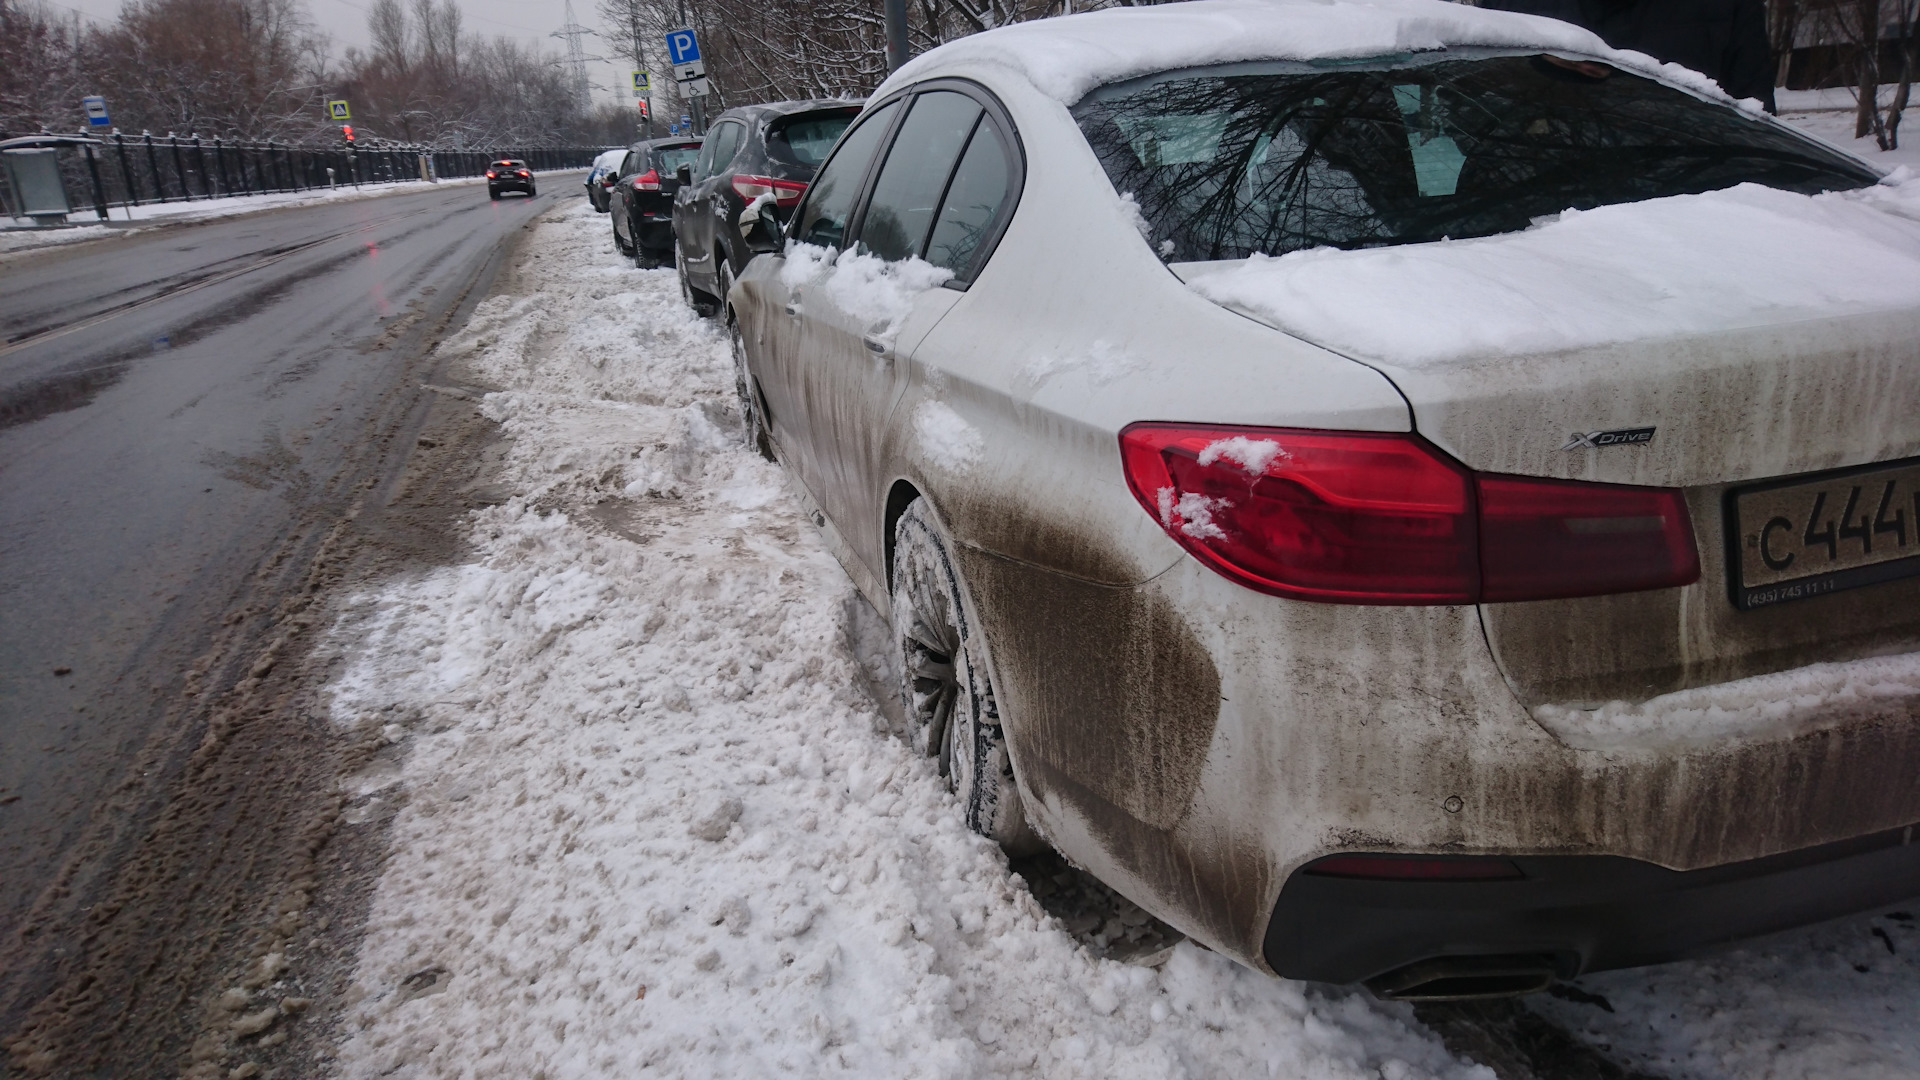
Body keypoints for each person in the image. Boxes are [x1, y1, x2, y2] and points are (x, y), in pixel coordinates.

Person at [1482, 0, 1777, 111]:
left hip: (1684, 205)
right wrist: (1533, 68)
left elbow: (1758, 125)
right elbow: (1478, 100)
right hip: (1527, 197)